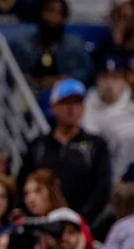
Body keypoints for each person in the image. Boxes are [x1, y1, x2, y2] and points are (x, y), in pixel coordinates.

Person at [18, 80, 112, 223]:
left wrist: (77, 220)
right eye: (65, 103)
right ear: (52, 107)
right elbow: (23, 182)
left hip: (83, 223)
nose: (71, 108)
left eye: (77, 103)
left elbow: (102, 189)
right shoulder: (39, 145)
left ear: (83, 108)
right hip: (41, 222)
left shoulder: (96, 145)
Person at [10, 0, 92, 89]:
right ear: (41, 13)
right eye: (50, 11)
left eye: (60, 14)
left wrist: (62, 81)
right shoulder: (22, 44)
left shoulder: (75, 45)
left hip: (64, 92)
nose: (54, 18)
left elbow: (85, 74)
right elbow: (10, 73)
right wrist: (31, 81)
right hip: (29, 91)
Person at [21, 169, 96, 249]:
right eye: (26, 194)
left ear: (51, 191)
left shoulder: (71, 218)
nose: (31, 199)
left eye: (38, 191)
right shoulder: (27, 225)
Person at [82, 62, 130, 127]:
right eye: (104, 77)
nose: (109, 83)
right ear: (96, 80)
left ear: (124, 81)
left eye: (115, 77)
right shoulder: (87, 101)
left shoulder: (133, 100)